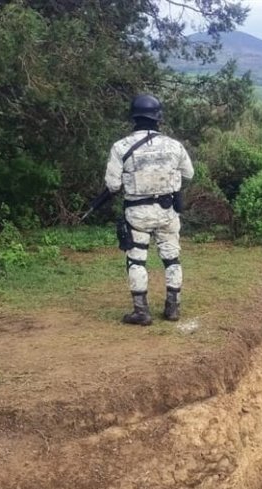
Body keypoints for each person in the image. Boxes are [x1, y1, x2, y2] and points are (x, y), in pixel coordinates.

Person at [104, 94, 194, 325]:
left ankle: (141, 311)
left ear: (133, 117)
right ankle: (172, 307)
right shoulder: (175, 146)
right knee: (172, 258)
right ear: (158, 118)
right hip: (167, 212)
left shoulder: (120, 147)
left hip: (137, 213)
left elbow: (113, 185)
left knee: (136, 260)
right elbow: (189, 174)